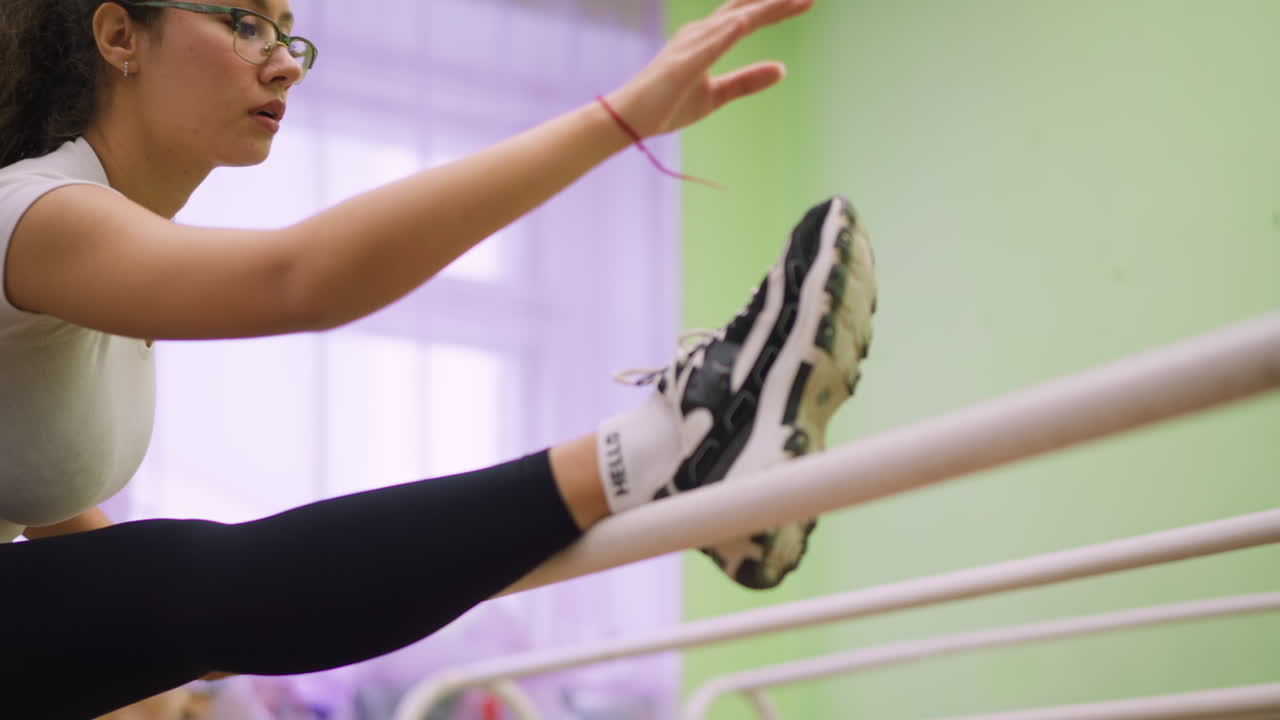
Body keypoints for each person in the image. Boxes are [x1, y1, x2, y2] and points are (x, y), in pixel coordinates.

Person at [0, 0, 877, 717]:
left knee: (175, 592)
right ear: (119, 36)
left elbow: (60, 523)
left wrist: (169, 692)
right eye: (243, 23)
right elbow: (299, 278)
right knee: (177, 578)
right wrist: (620, 119)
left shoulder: (106, 260)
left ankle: (666, 460)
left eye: (287, 31)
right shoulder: (32, 213)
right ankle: (664, 447)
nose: (285, 61)